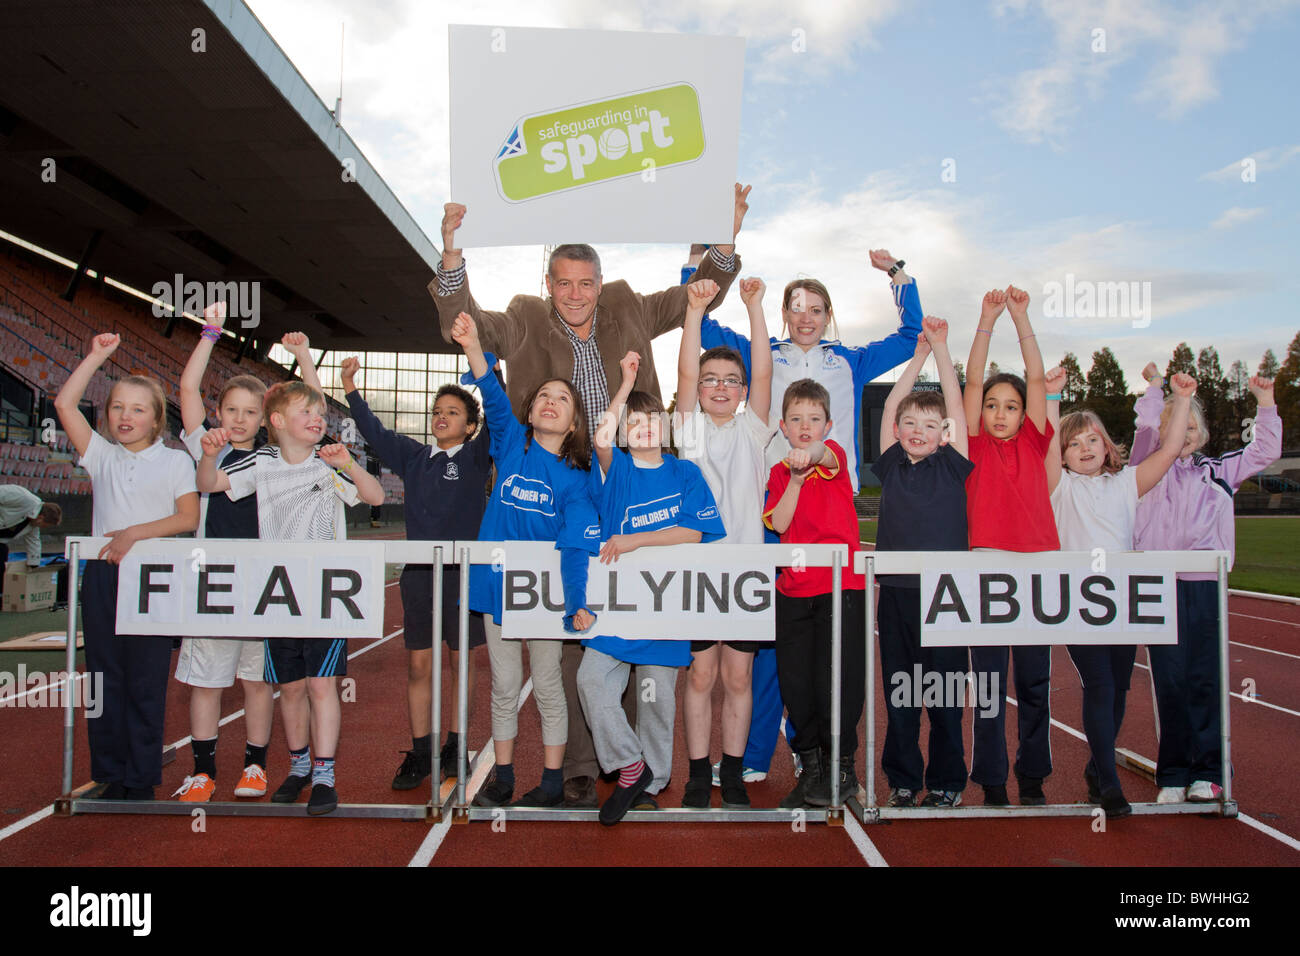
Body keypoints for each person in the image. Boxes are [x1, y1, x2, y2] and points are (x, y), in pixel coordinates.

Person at [431, 187, 750, 809]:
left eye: (586, 283)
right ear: (549, 284)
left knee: (637, 622)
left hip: (636, 470)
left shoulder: (629, 303)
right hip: (560, 480)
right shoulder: (523, 314)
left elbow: (697, 294)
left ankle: (638, 772)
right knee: (578, 629)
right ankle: (581, 772)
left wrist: (727, 236)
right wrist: (451, 258)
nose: (576, 294)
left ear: (600, 284)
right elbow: (462, 325)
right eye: (565, 283)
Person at [696, 249, 923, 781]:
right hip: (775, 509)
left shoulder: (851, 360)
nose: (806, 317)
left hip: (830, 517)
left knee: (826, 648)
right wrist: (704, 259)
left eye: (816, 308)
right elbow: (702, 322)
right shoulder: (760, 352)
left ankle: (819, 752)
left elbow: (911, 332)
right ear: (784, 313)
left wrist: (897, 274)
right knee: (768, 642)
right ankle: (753, 756)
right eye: (796, 307)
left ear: (828, 316)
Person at [196, 360, 385, 816]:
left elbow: (376, 497)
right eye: (306, 411)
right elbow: (210, 484)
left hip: (323, 595)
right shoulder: (261, 461)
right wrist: (207, 453)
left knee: (322, 686)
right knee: (292, 688)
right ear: (277, 422)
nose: (317, 418)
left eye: (320, 411)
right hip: (277, 595)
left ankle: (324, 774)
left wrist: (350, 468)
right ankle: (297, 766)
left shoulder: (328, 462)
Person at [450, 311, 601, 809]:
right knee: (505, 686)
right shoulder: (511, 445)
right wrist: (474, 345)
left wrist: (576, 601)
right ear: (530, 411)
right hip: (497, 588)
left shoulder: (579, 481)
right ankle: (504, 775)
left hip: (547, 598)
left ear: (574, 420)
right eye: (543, 396)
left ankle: (553, 781)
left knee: (551, 684)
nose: (551, 403)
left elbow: (577, 547)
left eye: (563, 399)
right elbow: (492, 397)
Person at [580, 349, 725, 823]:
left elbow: (694, 531)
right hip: (616, 609)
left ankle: (654, 781)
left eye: (653, 420)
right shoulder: (615, 469)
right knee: (592, 681)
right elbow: (600, 436)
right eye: (634, 420)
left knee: (655, 698)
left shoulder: (686, 473)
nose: (644, 426)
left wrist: (634, 540)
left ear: (667, 428)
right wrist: (624, 383)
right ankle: (631, 764)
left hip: (664, 609)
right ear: (624, 429)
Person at [1045, 368, 1198, 817]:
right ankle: (1109, 786)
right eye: (1074, 444)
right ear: (1064, 454)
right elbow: (1047, 446)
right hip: (1080, 599)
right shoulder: (1060, 487)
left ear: (1108, 445)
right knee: (1100, 684)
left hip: (1124, 602)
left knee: (1120, 689)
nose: (1084, 449)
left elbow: (1170, 449)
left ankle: (1096, 767)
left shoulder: (1127, 483)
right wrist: (1052, 396)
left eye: (1092, 439)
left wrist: (1182, 398)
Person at [53, 333, 199, 800]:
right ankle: (110, 772)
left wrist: (135, 532)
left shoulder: (175, 461)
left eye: (138, 409)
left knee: (143, 680)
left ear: (156, 418)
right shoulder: (100, 455)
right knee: (103, 677)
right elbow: (64, 402)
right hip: (102, 577)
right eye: (117, 407)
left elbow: (188, 517)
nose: (125, 416)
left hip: (153, 579)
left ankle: (140, 777)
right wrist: (96, 355)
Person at [1129, 365, 1281, 804]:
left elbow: (1266, 448)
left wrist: (1265, 403)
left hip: (1203, 587)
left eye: (1192, 424)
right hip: (1157, 586)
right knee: (1169, 682)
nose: (1184, 431)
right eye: (1176, 424)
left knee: (1204, 680)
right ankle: (1173, 773)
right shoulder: (1144, 467)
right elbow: (1143, 426)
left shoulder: (1219, 472)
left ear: (1205, 433)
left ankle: (1209, 771)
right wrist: (1159, 391)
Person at [339, 355, 491, 790]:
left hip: (464, 576)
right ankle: (421, 750)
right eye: (437, 412)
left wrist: (491, 371)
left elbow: (499, 414)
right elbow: (374, 432)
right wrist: (350, 386)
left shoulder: (478, 456)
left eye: (453, 412)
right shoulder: (413, 456)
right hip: (420, 577)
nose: (442, 418)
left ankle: (456, 746)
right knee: (419, 666)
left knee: (462, 664)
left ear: (469, 426)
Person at [674, 276, 774, 809]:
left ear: (740, 391)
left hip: (747, 573)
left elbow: (763, 368)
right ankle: (695, 772)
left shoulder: (754, 431)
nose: (718, 386)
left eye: (729, 381)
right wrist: (694, 311)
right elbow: (685, 370)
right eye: (711, 379)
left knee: (739, 677)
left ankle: (730, 771)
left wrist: (754, 307)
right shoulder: (687, 431)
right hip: (696, 573)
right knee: (701, 674)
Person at [171, 303, 275, 802]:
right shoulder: (205, 446)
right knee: (206, 681)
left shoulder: (275, 457)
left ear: (264, 419)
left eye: (249, 412)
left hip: (260, 581)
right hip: (210, 578)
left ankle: (255, 767)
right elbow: (187, 389)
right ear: (220, 413)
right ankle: (202, 771)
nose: (237, 419)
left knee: (257, 680)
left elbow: (310, 410)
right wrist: (210, 332)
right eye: (231, 409)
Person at [962, 286, 1058, 806]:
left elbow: (1038, 377)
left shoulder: (1034, 439)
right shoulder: (974, 443)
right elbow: (973, 379)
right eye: (994, 406)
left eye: (1012, 406)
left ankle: (1034, 775)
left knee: (1036, 680)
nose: (1000, 413)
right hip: (987, 567)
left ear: (1026, 414)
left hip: (1038, 568)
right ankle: (993, 777)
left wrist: (1021, 318)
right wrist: (986, 319)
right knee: (991, 682)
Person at [872, 316, 972, 809]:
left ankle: (949, 781)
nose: (918, 430)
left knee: (947, 697)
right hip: (895, 595)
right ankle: (905, 779)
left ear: (945, 434)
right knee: (903, 695)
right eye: (910, 424)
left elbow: (954, 402)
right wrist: (917, 358)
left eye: (930, 426)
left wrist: (942, 349)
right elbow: (893, 400)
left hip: (947, 598)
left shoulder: (952, 466)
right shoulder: (891, 465)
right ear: (897, 431)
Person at [764, 379, 868, 808]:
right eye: (795, 419)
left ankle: (842, 767)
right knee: (797, 685)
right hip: (795, 590)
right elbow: (781, 524)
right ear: (783, 427)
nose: (804, 426)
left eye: (813, 419)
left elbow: (826, 457)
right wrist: (794, 479)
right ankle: (812, 768)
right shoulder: (777, 473)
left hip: (840, 587)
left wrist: (813, 459)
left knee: (838, 682)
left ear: (827, 423)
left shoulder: (835, 456)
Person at [0, 484, 61, 571]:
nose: (41, 528)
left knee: (2, 552)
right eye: (44, 525)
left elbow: (34, 542)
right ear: (41, 518)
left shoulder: (33, 524)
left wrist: (34, 565)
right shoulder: (22, 497)